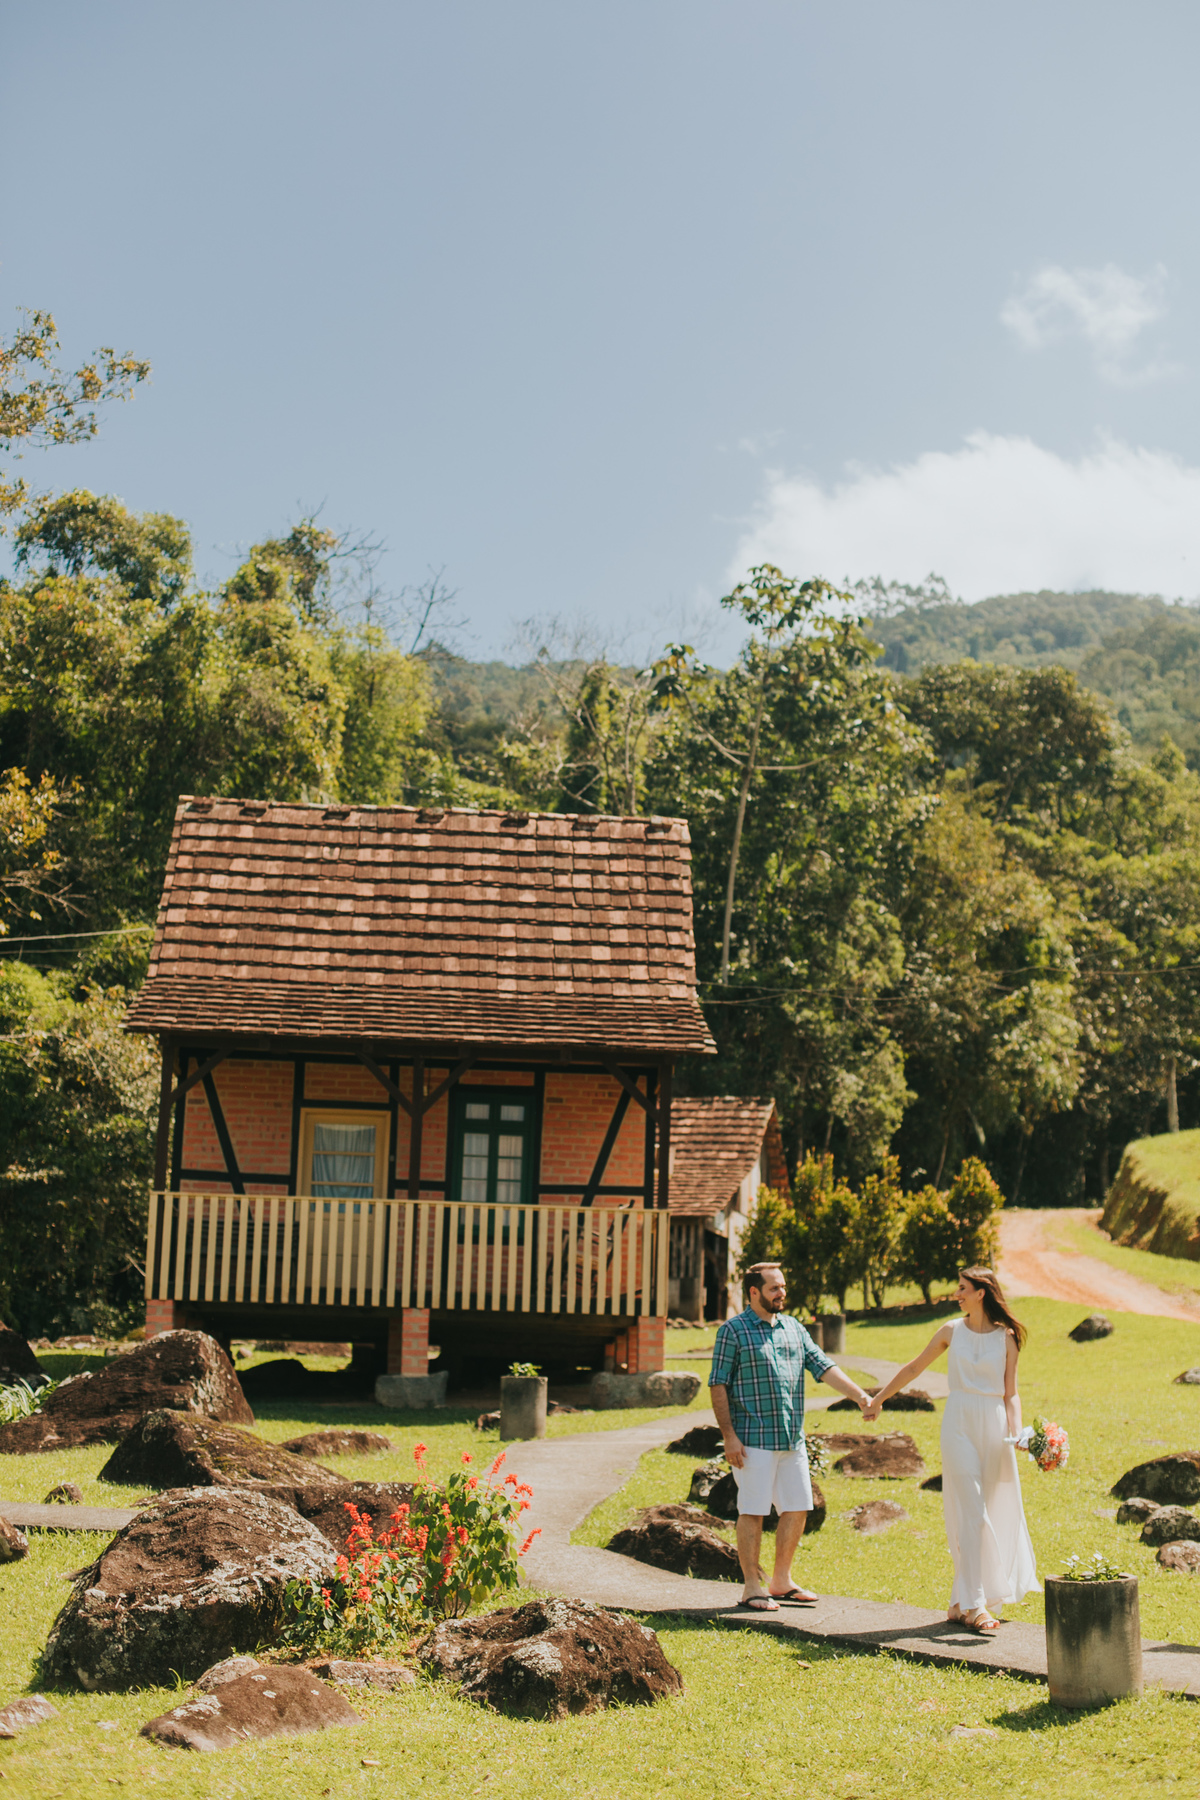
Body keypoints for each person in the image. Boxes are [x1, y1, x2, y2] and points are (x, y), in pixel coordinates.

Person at [863, 1265, 1039, 1634]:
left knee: (989, 1510)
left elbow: (1011, 1393)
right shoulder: (950, 1331)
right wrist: (879, 1399)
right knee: (971, 1511)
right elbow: (914, 1368)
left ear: (981, 1292)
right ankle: (976, 1604)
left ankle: (960, 1601)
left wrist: (1018, 1432)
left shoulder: (1007, 1337)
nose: (956, 1294)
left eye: (962, 1288)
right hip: (958, 1421)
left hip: (994, 1426)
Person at [709, 1262, 874, 1612]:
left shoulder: (794, 1328)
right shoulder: (733, 1331)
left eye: (783, 1286)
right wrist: (729, 1436)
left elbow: (824, 1367)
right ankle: (751, 1587)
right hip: (752, 1440)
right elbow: (718, 1384)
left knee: (798, 1507)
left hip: (791, 1439)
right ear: (754, 1292)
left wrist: (860, 1396)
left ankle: (781, 1581)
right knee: (752, 1511)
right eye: (774, 1288)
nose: (781, 1293)